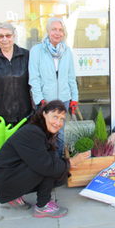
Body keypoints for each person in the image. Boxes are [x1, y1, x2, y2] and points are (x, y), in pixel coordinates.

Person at [0, 100, 90, 218]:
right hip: (6, 180)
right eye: (55, 117)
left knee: (55, 166)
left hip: (9, 175)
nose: (58, 122)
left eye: (61, 119)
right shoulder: (33, 132)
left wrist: (65, 165)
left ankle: (16, 196)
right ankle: (42, 207)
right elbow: (47, 166)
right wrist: (72, 161)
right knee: (50, 168)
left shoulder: (41, 130)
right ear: (44, 114)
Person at [28, 17, 79, 156]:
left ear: (64, 33)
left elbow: (71, 77)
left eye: (60, 30)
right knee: (45, 135)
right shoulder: (37, 50)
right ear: (48, 31)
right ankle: (46, 166)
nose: (57, 33)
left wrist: (74, 98)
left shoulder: (67, 51)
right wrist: (40, 100)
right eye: (54, 29)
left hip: (63, 100)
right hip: (46, 101)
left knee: (60, 135)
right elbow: (34, 78)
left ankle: (58, 166)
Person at [0, 22, 32, 124]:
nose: (4, 39)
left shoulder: (26, 55)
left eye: (8, 35)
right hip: (0, 112)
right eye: (0, 36)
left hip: (25, 113)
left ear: (14, 36)